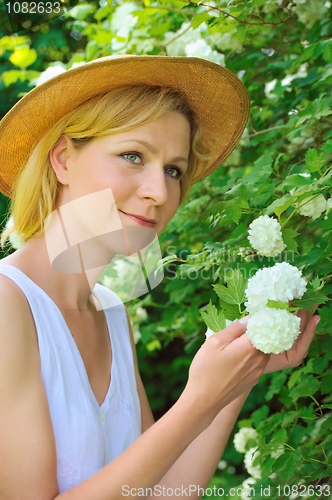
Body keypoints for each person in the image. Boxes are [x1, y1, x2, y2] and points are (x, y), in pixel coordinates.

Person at [0, 54, 319, 499]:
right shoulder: (7, 303)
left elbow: (163, 493)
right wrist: (197, 401)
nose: (160, 191)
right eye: (133, 156)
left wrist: (236, 379)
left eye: (174, 169)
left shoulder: (110, 311)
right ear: (62, 159)